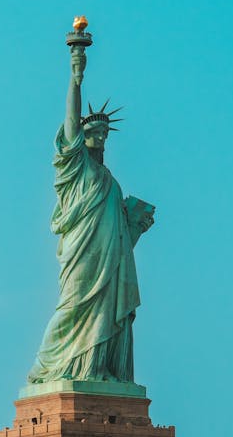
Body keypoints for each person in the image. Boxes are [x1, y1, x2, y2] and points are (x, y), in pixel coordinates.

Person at [27, 43, 154, 384]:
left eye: (103, 134)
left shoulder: (109, 182)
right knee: (72, 307)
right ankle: (48, 368)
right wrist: (76, 76)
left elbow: (118, 234)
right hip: (82, 256)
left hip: (109, 261)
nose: (98, 138)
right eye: (91, 133)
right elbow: (71, 121)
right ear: (80, 138)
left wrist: (136, 225)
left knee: (105, 313)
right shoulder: (76, 169)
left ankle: (97, 370)